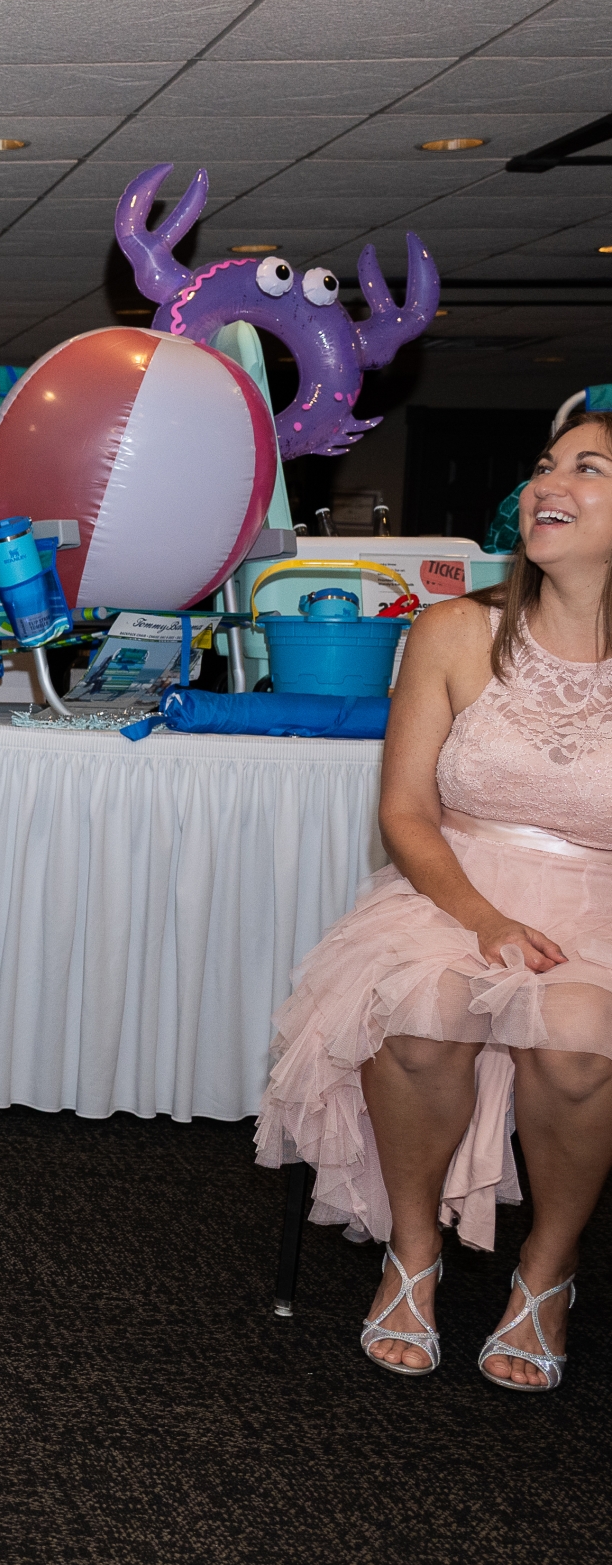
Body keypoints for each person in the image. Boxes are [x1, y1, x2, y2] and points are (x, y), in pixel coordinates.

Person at [258, 411, 612, 1392]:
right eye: (545, 464)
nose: (550, 482)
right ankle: (412, 1251)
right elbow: (405, 812)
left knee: (582, 1038)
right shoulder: (455, 630)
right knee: (421, 1015)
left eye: (589, 468)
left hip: (599, 905)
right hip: (454, 889)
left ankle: (547, 1268)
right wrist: (486, 921)